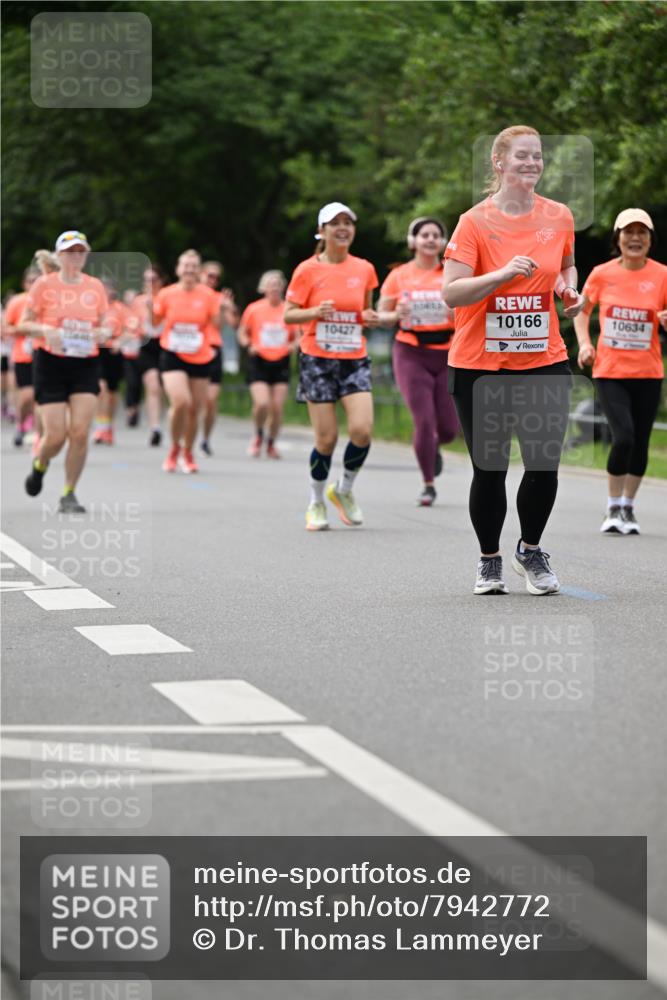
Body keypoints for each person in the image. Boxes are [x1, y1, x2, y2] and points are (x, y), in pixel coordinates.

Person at [443, 125, 584, 595]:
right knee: (491, 468)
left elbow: (563, 263)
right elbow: (452, 292)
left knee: (544, 463)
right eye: (521, 156)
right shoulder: (474, 222)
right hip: (480, 362)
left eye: (537, 156)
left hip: (543, 357)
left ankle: (531, 548)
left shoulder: (559, 216)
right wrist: (501, 275)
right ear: (499, 162)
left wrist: (568, 289)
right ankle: (489, 560)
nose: (531, 163)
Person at [284, 202, 380, 530]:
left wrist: (369, 318)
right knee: (326, 439)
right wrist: (313, 312)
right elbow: (288, 313)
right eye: (335, 223)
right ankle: (315, 501)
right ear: (322, 231)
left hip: (353, 357)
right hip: (318, 359)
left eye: (348, 223)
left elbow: (364, 313)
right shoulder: (307, 270)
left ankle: (344, 489)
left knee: (362, 431)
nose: (343, 228)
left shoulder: (364, 269)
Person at [574, 208, 667, 535]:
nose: (635, 238)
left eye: (642, 232)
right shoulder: (602, 273)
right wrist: (585, 344)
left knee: (640, 442)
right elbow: (581, 311)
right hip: (610, 370)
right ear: (618, 238)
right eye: (629, 232)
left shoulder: (662, 275)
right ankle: (613, 506)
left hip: (649, 372)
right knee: (623, 436)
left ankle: (628, 506)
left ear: (650, 240)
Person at [21, 230, 109, 513]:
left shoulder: (95, 287)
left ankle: (69, 492)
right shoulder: (43, 285)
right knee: (56, 436)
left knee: (80, 432)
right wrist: (45, 329)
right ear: (59, 256)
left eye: (80, 251)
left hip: (85, 363)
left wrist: (101, 333)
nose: (76, 256)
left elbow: (106, 325)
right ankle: (40, 463)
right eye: (70, 251)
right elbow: (24, 323)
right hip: (50, 363)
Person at [378, 217, 458, 505]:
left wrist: (457, 313)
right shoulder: (399, 275)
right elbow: (381, 315)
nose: (430, 239)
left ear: (443, 241)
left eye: (436, 235)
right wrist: (395, 313)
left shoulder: (451, 273)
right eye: (424, 234)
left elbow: (467, 308)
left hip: (447, 351)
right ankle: (428, 484)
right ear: (413, 241)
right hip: (410, 351)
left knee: (449, 429)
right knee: (424, 421)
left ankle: (434, 446)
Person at [154, 249, 220, 473]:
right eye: (185, 265)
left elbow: (216, 325)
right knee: (181, 402)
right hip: (172, 353)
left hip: (200, 355)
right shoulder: (166, 293)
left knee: (195, 409)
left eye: (194, 266)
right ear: (178, 269)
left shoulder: (209, 295)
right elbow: (155, 320)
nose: (189, 270)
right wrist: (147, 310)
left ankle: (188, 451)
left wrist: (223, 311)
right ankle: (174, 447)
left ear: (199, 271)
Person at [238, 270, 298, 458]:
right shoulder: (254, 309)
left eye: (277, 284)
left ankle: (271, 442)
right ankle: (258, 435)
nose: (274, 288)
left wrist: (292, 346)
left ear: (282, 288)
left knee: (277, 407)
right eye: (270, 284)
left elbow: (298, 336)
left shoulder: (289, 309)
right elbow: (242, 332)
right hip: (259, 360)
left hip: (281, 360)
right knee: (262, 403)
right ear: (263, 288)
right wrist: (249, 344)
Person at [198, 260, 238, 456]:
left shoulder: (218, 298)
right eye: (209, 275)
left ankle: (205, 438)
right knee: (191, 400)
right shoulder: (190, 293)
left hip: (213, 349)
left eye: (216, 277)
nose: (213, 280)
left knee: (211, 400)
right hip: (191, 350)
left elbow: (230, 324)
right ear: (201, 274)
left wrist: (225, 308)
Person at [3, 268, 40, 446]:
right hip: (22, 356)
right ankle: (21, 423)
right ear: (24, 283)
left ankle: (39, 433)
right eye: (30, 281)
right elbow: (6, 329)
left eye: (37, 280)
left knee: (41, 398)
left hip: (44, 356)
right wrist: (24, 329)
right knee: (27, 395)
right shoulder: (18, 302)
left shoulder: (47, 300)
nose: (33, 284)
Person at [130, 265, 166, 446]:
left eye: (153, 280)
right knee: (152, 385)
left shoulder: (167, 297)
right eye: (146, 280)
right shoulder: (139, 301)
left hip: (166, 345)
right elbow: (133, 322)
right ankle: (155, 427)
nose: (150, 284)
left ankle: (170, 419)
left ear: (160, 281)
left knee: (164, 388)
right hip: (146, 345)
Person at [93, 281, 129, 445]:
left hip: (114, 352)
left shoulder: (120, 309)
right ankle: (100, 427)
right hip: (98, 350)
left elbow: (132, 329)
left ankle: (109, 426)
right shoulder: (93, 307)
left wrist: (120, 342)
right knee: (101, 389)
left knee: (112, 393)